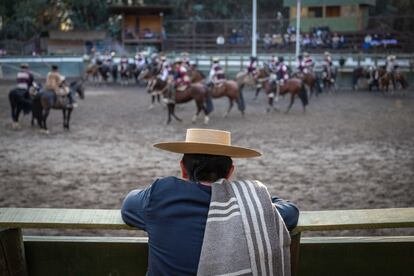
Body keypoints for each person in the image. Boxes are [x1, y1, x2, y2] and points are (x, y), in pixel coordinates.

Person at [121, 128, 299, 275]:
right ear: (230, 172)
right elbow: (291, 212)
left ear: (183, 169)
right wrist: (260, 197)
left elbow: (128, 206)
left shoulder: (161, 194)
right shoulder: (251, 206)